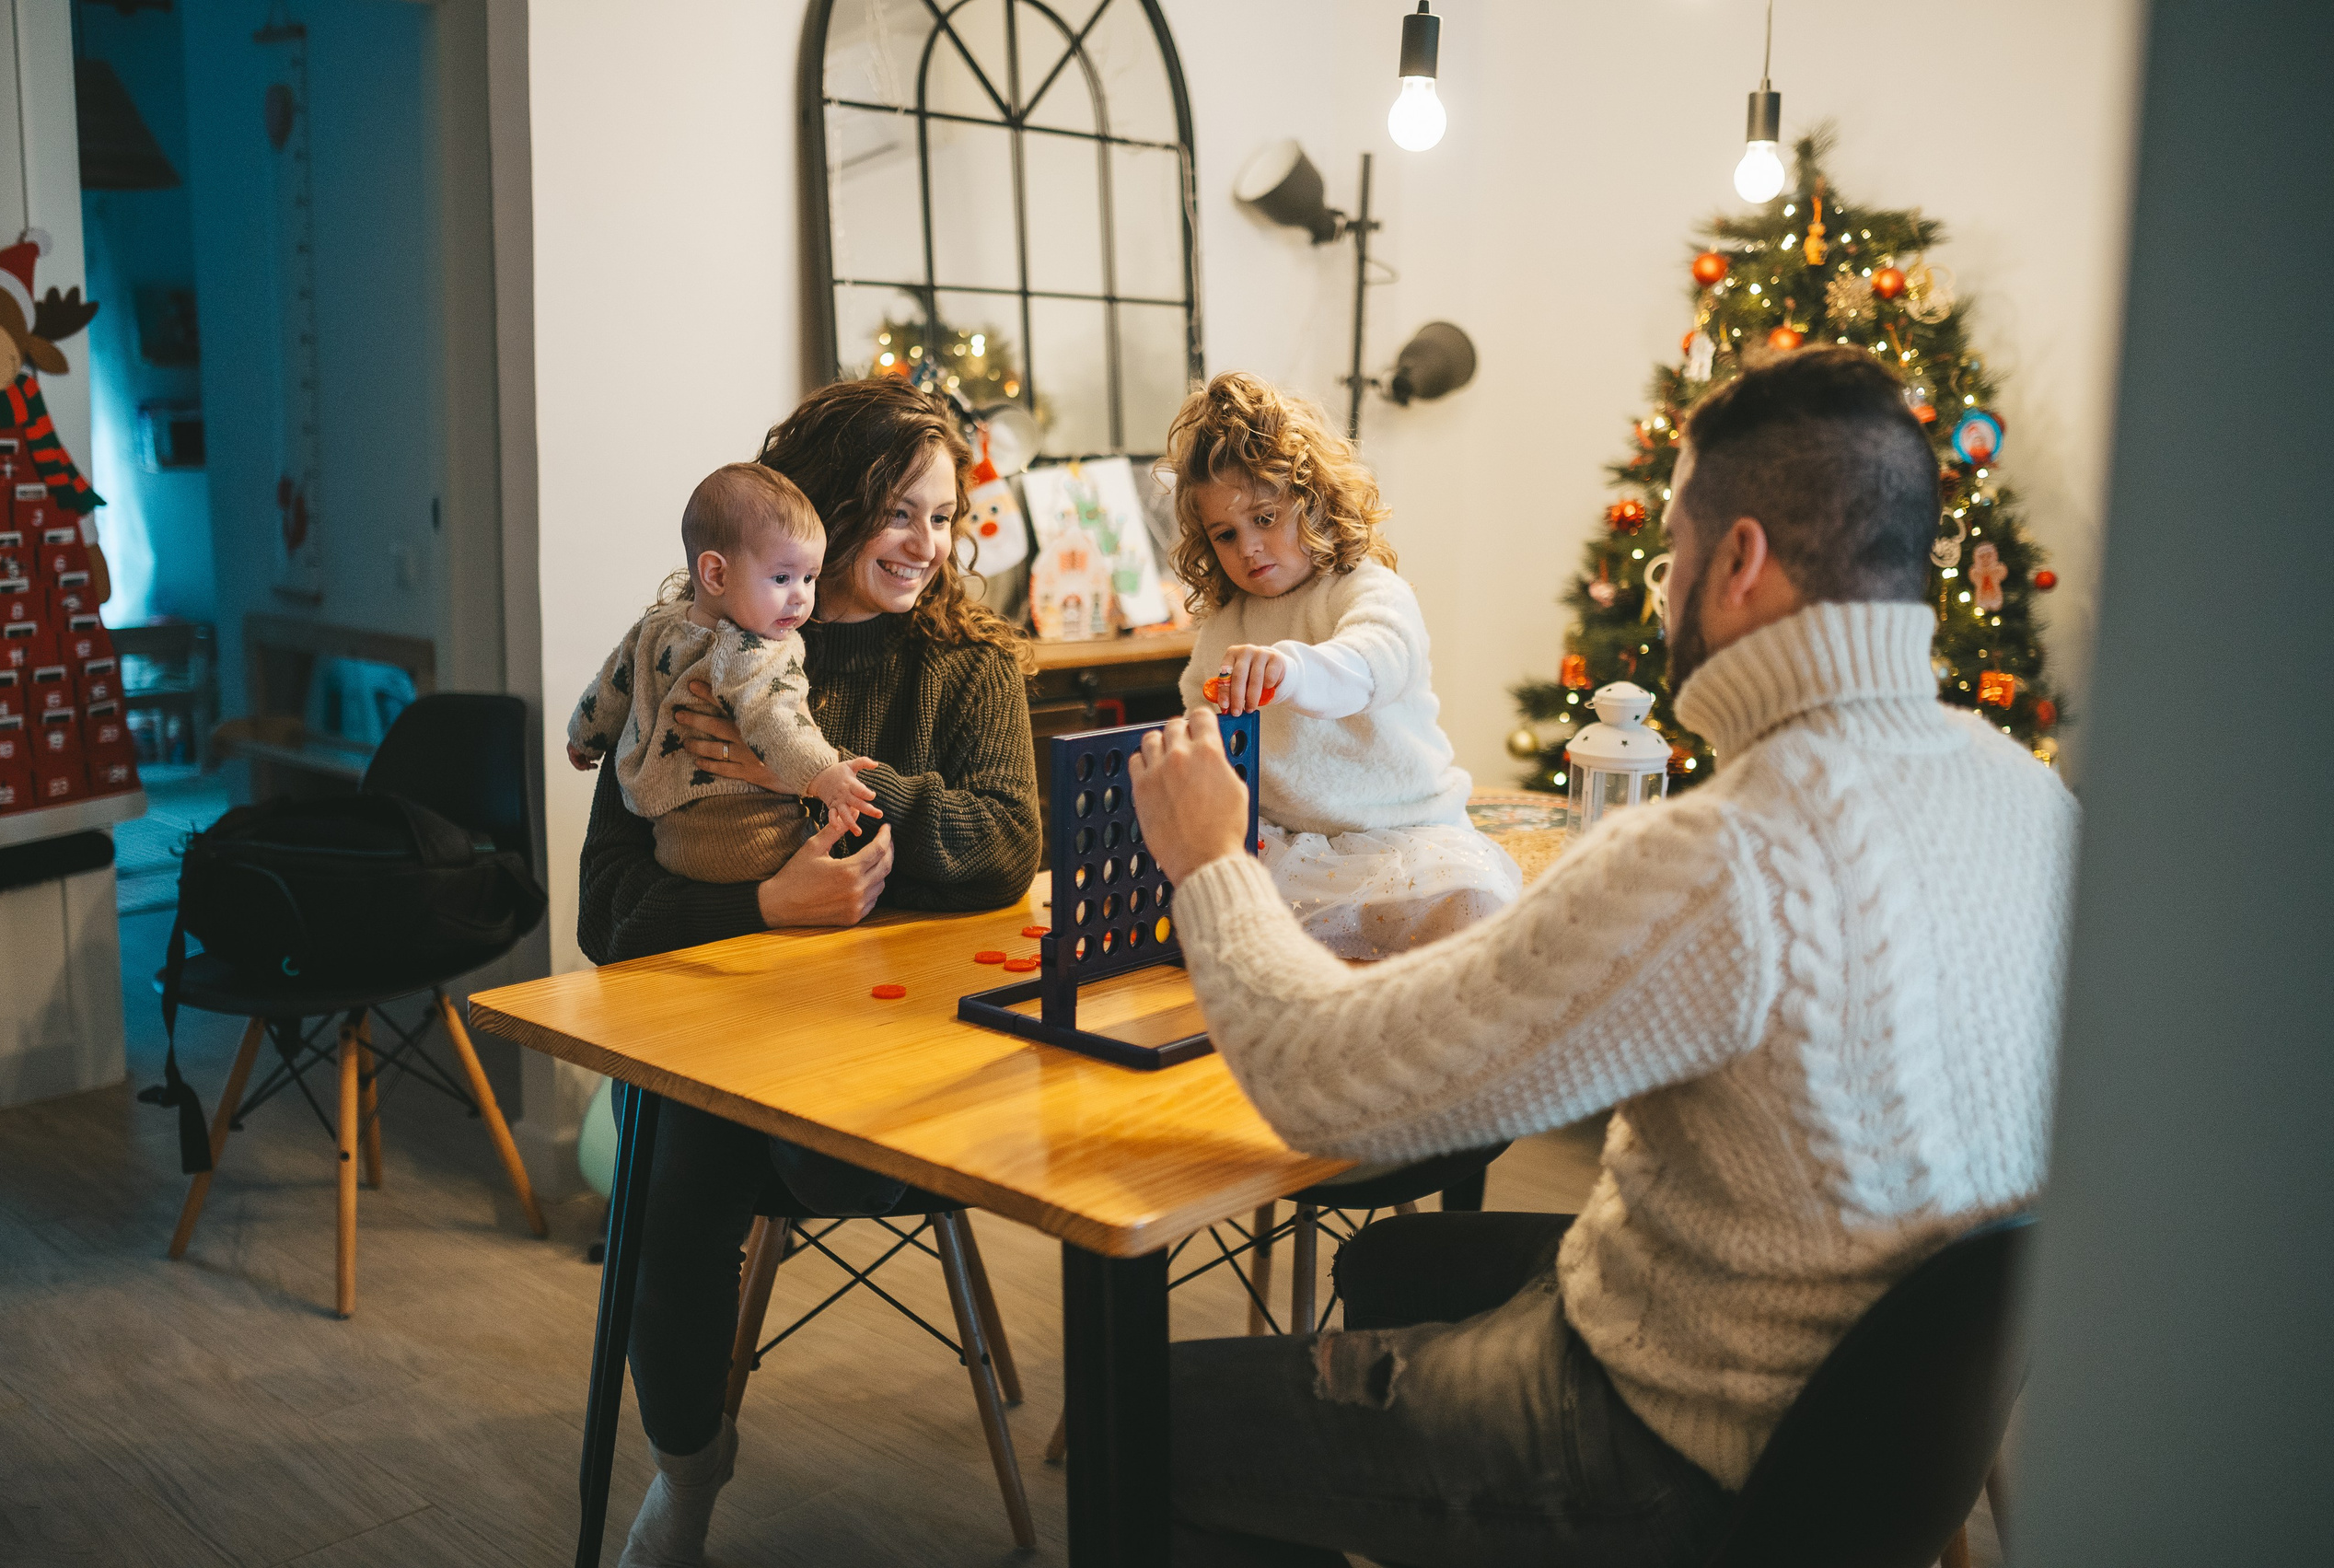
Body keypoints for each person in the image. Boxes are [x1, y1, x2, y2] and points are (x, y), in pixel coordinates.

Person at [1128, 346, 2076, 1567]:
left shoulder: (1722, 852)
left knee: (1145, 1413)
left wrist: (1213, 863)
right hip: (1875, 1434)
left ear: (1734, 561)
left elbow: (1317, 1078)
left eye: (1672, 545)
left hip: (1674, 1446)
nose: (1661, 575)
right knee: (1396, 1257)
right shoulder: (2034, 800)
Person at [576, 379, 1040, 1568]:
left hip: (898, 1059)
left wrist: (832, 777)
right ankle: (687, 1468)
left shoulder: (966, 663)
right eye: (897, 513)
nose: (926, 547)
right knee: (669, 1187)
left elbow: (1001, 848)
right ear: (827, 506)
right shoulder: (695, 647)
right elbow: (605, 904)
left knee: (766, 1155)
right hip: (728, 1042)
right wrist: (762, 903)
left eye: (943, 518)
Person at [1167, 371, 1520, 959]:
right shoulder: (1226, 626)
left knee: (1471, 906)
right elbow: (1204, 726)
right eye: (1225, 534)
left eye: (1264, 518)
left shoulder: (1367, 590)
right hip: (1290, 845)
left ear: (1317, 502)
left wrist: (1292, 672)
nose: (1248, 547)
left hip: (1408, 837)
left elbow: (1368, 664)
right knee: (1209, 915)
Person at [563, 462, 882, 880]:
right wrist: (824, 774)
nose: (801, 597)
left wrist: (584, 737)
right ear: (715, 573)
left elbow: (611, 689)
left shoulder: (655, 628)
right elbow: (778, 719)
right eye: (783, 577)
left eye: (810, 577)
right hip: (760, 844)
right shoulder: (759, 651)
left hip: (672, 847)